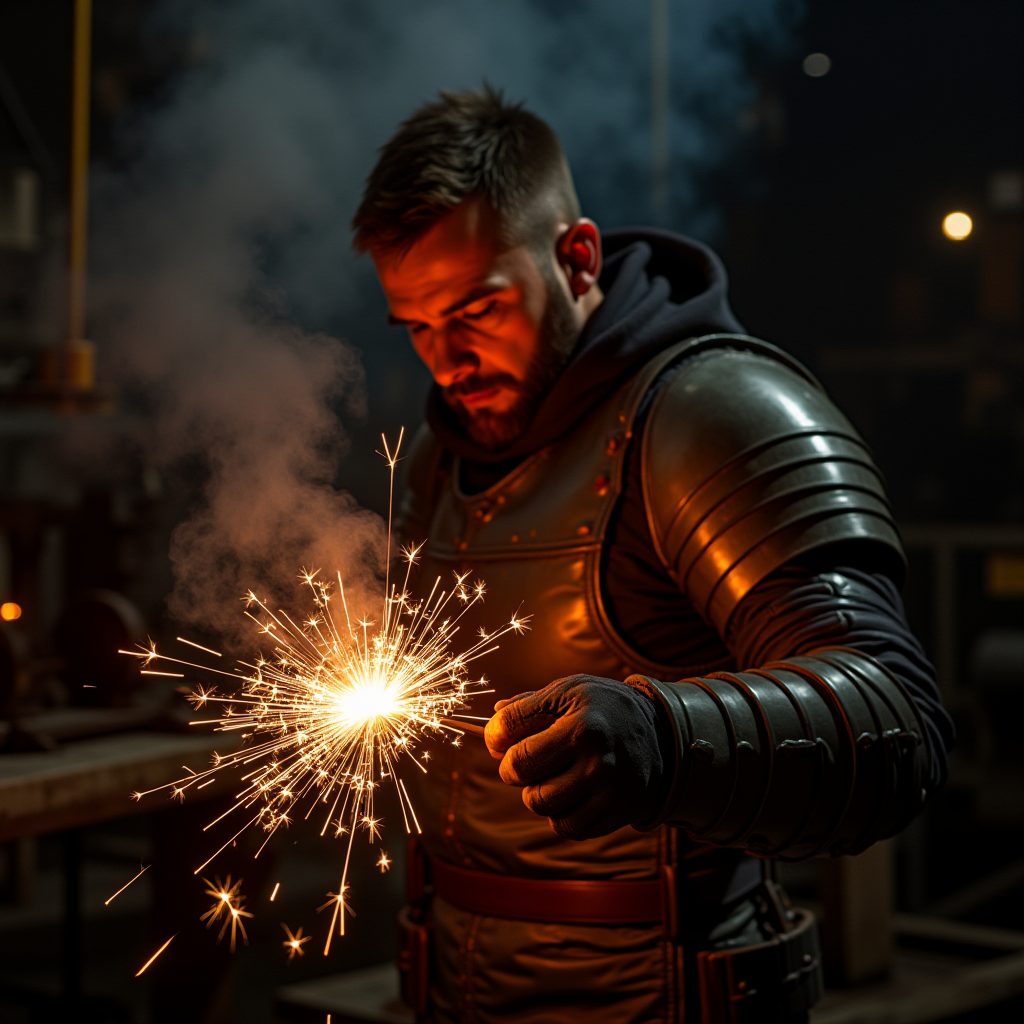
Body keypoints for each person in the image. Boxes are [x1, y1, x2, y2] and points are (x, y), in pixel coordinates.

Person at [351, 85, 953, 1024]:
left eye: (475, 310)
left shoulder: (709, 419)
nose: (445, 361)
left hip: (667, 994)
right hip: (453, 990)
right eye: (418, 327)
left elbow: (899, 728)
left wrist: (661, 739)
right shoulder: (437, 461)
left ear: (576, 257)